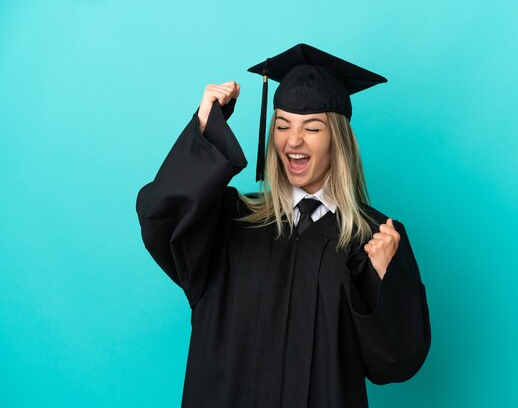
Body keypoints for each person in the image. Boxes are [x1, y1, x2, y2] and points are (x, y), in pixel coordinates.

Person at [136, 43, 431, 408]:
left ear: (337, 140)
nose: (293, 140)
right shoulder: (230, 221)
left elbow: (396, 364)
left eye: (312, 127)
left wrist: (377, 281)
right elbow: (160, 221)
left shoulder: (375, 238)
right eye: (282, 125)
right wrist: (203, 129)